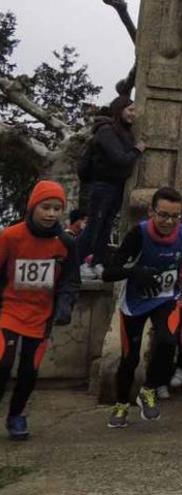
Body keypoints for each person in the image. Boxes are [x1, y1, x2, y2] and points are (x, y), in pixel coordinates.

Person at [103, 187, 182, 428]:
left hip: (165, 299)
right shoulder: (138, 234)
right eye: (163, 215)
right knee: (130, 359)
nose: (169, 222)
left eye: (175, 216)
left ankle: (149, 389)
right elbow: (109, 273)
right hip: (134, 304)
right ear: (151, 212)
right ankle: (121, 405)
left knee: (169, 342)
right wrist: (136, 272)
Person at [0, 181, 79, 440]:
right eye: (46, 207)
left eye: (57, 208)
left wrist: (65, 307)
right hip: (9, 310)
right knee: (2, 364)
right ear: (33, 206)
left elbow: (70, 280)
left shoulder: (66, 242)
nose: (51, 214)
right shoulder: (10, 236)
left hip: (41, 316)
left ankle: (16, 416)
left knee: (29, 370)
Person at [77, 95, 145, 280]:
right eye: (130, 110)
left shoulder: (125, 132)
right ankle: (76, 263)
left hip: (116, 186)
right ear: (119, 110)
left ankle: (97, 262)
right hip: (102, 185)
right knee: (94, 225)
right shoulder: (106, 131)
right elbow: (119, 159)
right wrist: (137, 150)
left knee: (106, 226)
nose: (133, 114)